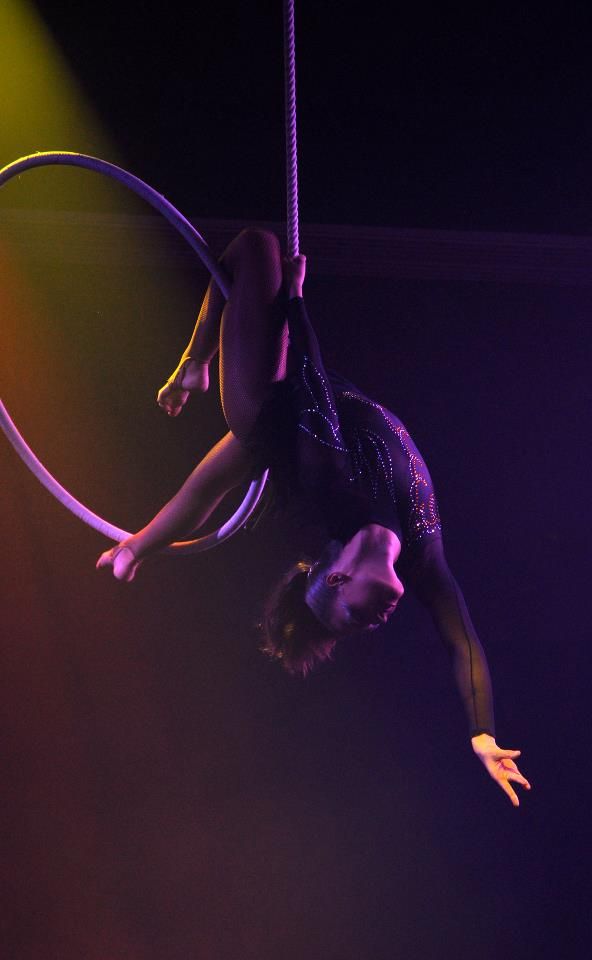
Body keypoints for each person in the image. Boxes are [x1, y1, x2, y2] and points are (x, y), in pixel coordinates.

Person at [97, 228, 531, 807]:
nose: (375, 622)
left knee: (254, 247)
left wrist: (297, 301)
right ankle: (139, 541)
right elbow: (464, 642)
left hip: (273, 406)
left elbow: (313, 383)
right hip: (302, 411)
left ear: (338, 577)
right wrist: (482, 734)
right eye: (365, 626)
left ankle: (194, 365)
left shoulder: (332, 487)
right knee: (220, 477)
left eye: (353, 615)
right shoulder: (424, 555)